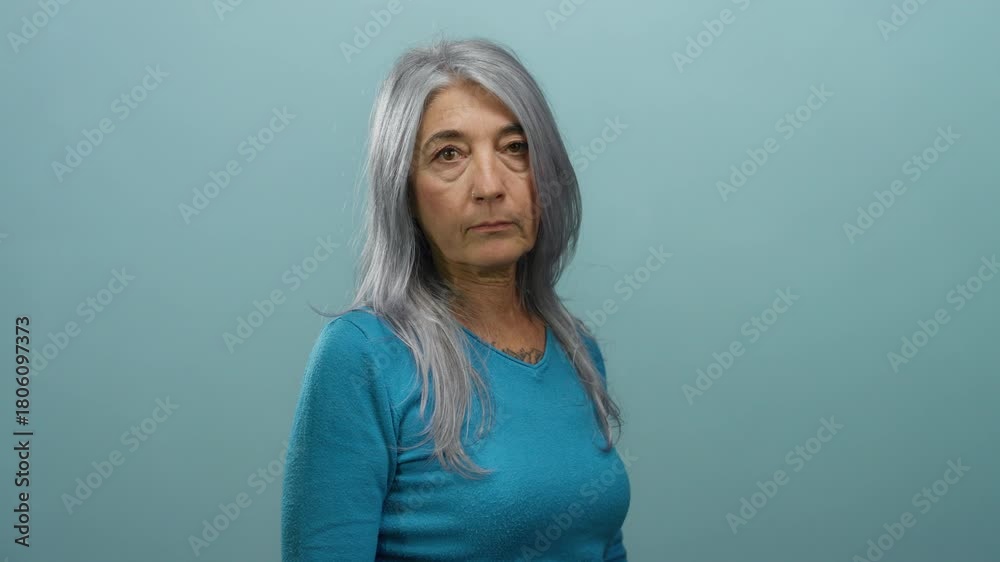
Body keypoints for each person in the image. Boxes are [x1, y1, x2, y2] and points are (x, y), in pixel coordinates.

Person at [281, 35, 631, 561]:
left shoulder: (577, 349)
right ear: (404, 191)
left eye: (515, 148)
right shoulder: (361, 357)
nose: (490, 185)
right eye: (449, 154)